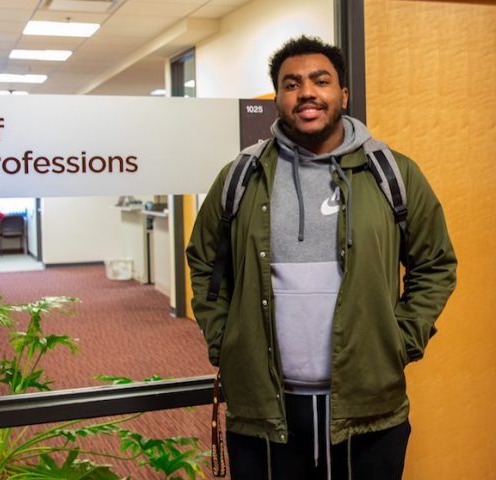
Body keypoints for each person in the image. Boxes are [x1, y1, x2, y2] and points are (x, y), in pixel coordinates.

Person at [186, 35, 457, 480]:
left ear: (342, 94)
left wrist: (401, 340)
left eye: (320, 80)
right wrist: (225, 341)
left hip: (367, 403)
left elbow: (435, 265)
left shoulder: (392, 173)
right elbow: (203, 261)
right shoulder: (241, 176)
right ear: (277, 98)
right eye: (291, 84)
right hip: (266, 409)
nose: (306, 92)